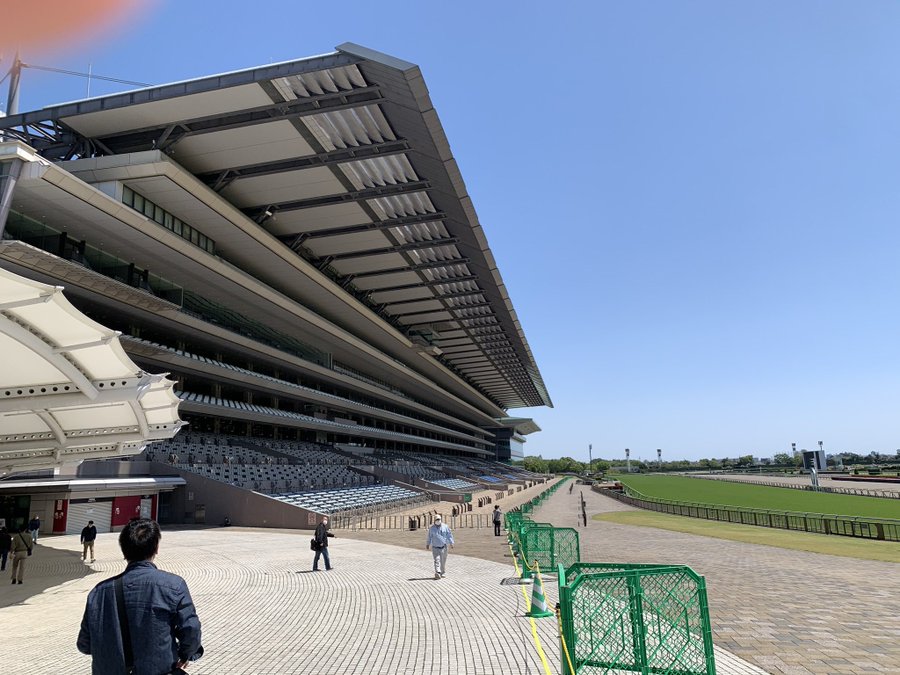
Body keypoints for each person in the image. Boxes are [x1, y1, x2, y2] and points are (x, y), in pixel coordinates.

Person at [77, 518, 203, 675]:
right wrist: (185, 655)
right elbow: (191, 631)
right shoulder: (173, 585)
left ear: (124, 551)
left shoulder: (98, 592)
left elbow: (84, 644)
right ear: (156, 548)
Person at [425, 515, 454, 580]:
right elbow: (429, 537)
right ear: (434, 520)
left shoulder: (445, 527)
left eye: (439, 519)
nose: (438, 521)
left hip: (444, 547)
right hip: (435, 547)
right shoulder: (432, 528)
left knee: (443, 561)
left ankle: (442, 572)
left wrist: (451, 543)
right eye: (437, 520)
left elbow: (449, 535)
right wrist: (428, 544)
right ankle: (437, 572)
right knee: (437, 560)